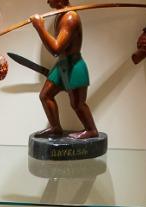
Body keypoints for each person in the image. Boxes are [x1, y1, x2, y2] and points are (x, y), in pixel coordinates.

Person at [30, 0, 98, 139]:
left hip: (74, 66)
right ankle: (55, 128)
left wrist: (40, 27)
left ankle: (91, 130)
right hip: (62, 65)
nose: (47, 1)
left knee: (77, 104)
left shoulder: (70, 17)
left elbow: (56, 49)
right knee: (45, 96)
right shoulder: (61, 14)